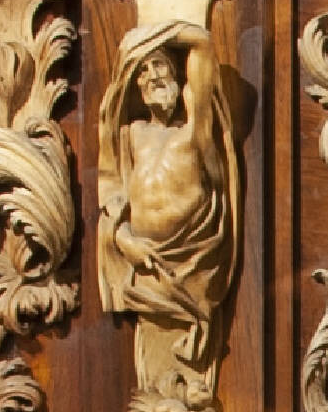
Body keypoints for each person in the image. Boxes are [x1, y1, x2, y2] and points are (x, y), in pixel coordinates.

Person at [97, 21, 239, 389]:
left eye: (159, 64)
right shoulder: (130, 135)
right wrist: (123, 238)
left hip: (192, 261)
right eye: (142, 71)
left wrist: (141, 40)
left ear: (177, 72)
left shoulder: (195, 130)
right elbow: (111, 193)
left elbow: (203, 43)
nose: (151, 76)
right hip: (144, 266)